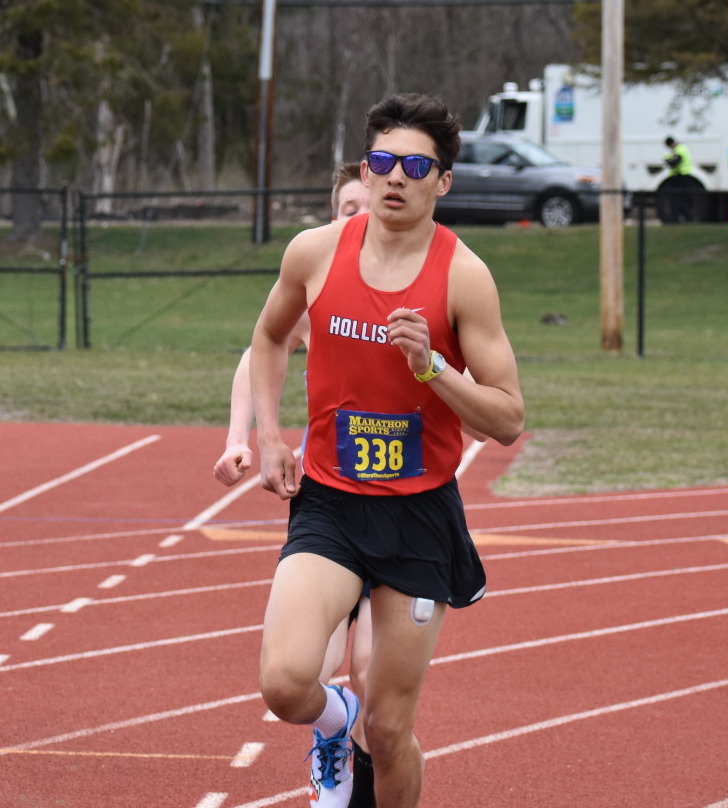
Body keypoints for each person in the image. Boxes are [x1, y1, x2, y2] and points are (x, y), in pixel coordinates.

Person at [249, 93, 524, 808]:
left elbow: (508, 419)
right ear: (364, 174)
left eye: (414, 165)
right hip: (331, 506)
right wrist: (270, 435)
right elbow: (270, 337)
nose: (395, 177)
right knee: (284, 683)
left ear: (444, 182)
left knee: (392, 725)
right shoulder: (314, 251)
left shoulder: (464, 276)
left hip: (417, 518)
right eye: (382, 162)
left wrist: (434, 368)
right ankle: (330, 724)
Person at [213, 162, 375, 808]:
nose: (358, 216)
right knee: (312, 670)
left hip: (404, 502)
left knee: (376, 674)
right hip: (328, 499)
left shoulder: (426, 279)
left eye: (367, 205)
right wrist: (241, 437)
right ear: (333, 215)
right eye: (346, 206)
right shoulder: (320, 286)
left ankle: (360, 783)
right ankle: (334, 727)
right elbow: (260, 350)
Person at [663, 135, 695, 222]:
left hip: (682, 176)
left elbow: (675, 162)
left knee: (680, 198)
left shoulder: (679, 149)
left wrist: (668, 161)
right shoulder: (679, 149)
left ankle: (682, 218)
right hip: (681, 176)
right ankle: (686, 218)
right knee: (682, 198)